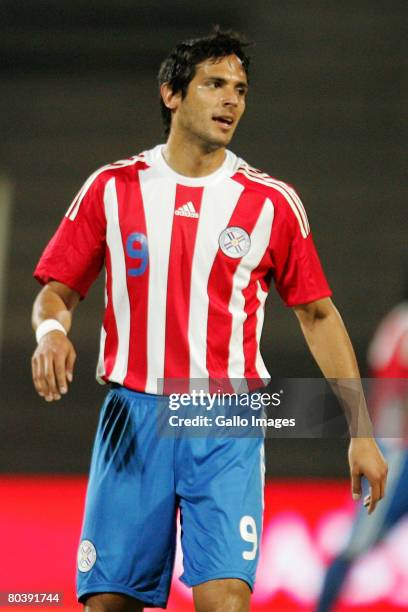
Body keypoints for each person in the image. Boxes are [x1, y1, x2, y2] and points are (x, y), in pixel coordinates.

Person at [31, 28, 387, 612]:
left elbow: (319, 316)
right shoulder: (113, 189)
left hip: (224, 416)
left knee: (224, 599)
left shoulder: (269, 202)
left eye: (241, 90)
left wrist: (361, 431)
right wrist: (51, 334)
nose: (231, 101)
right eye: (215, 85)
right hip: (133, 413)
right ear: (172, 93)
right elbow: (57, 290)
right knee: (108, 604)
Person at [317, 295, 408, 612]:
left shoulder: (396, 320)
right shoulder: (404, 322)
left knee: (360, 541)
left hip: (391, 443)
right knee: (359, 541)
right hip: (398, 450)